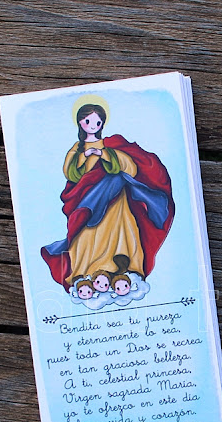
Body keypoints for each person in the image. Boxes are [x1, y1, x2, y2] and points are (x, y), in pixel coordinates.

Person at [41, 103, 175, 291]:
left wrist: (104, 154)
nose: (93, 125)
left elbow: (130, 168)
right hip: (88, 199)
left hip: (116, 201)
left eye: (97, 122)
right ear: (80, 123)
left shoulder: (111, 145)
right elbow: (71, 174)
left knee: (121, 229)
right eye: (88, 121)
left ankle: (123, 268)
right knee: (87, 233)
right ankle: (87, 272)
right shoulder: (77, 149)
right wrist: (84, 156)